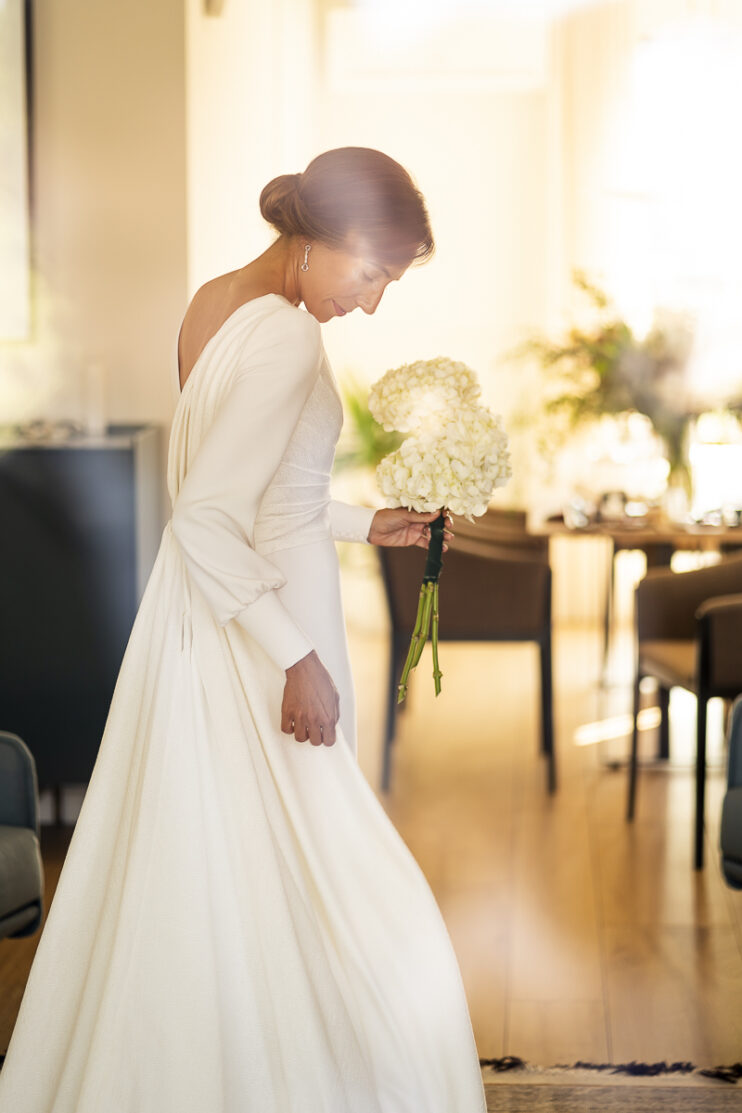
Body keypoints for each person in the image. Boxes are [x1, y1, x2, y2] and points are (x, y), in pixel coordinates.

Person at [0, 147, 487, 1112]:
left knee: (220, 885)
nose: (376, 301)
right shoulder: (287, 338)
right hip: (264, 641)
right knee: (343, 891)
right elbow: (208, 519)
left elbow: (249, 494)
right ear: (321, 238)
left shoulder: (214, 303)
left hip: (201, 630)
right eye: (373, 272)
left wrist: (362, 520)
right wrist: (297, 657)